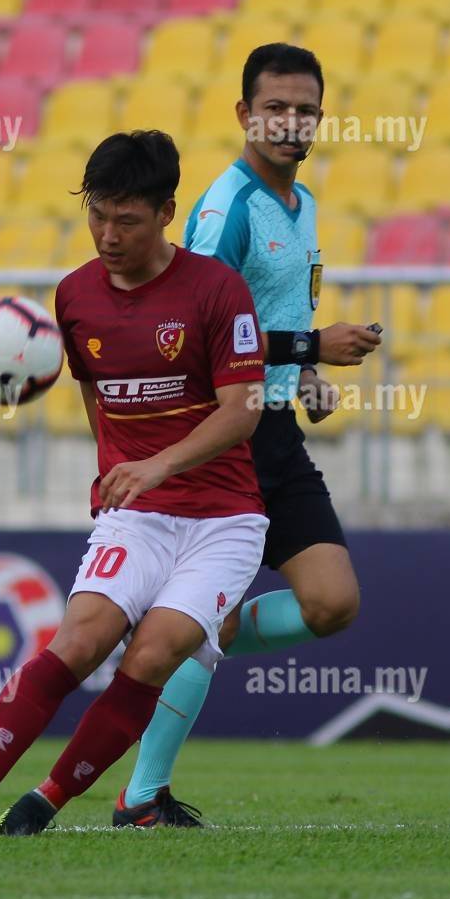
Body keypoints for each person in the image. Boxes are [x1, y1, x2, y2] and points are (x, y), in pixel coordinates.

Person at [0, 130, 269, 837]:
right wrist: (113, 465)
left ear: (168, 212)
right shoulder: (73, 296)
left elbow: (243, 412)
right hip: (136, 513)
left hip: (224, 521)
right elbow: (95, 390)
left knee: (153, 652)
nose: (108, 235)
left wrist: (156, 463)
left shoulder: (216, 290)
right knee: (77, 640)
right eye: (97, 215)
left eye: (126, 220)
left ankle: (42, 803)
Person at [114, 43, 383, 828]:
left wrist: (302, 375)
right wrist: (312, 348)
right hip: (223, 436)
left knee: (333, 603)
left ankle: (205, 628)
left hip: (276, 430)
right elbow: (189, 329)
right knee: (223, 617)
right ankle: (141, 796)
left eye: (305, 110)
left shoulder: (303, 207)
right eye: (276, 107)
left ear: (319, 118)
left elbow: (269, 318)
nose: (290, 122)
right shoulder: (226, 208)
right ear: (244, 114)